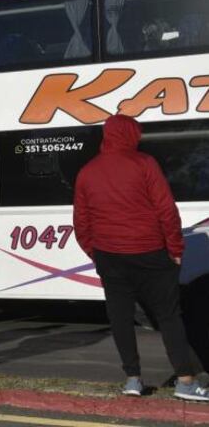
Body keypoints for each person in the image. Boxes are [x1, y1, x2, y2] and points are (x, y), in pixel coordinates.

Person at [74, 115, 209, 401]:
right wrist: (175, 249)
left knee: (120, 318)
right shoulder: (144, 164)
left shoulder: (87, 171)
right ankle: (186, 382)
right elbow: (166, 211)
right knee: (170, 317)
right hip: (151, 254)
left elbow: (81, 222)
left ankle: (133, 379)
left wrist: (96, 254)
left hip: (110, 258)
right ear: (132, 134)